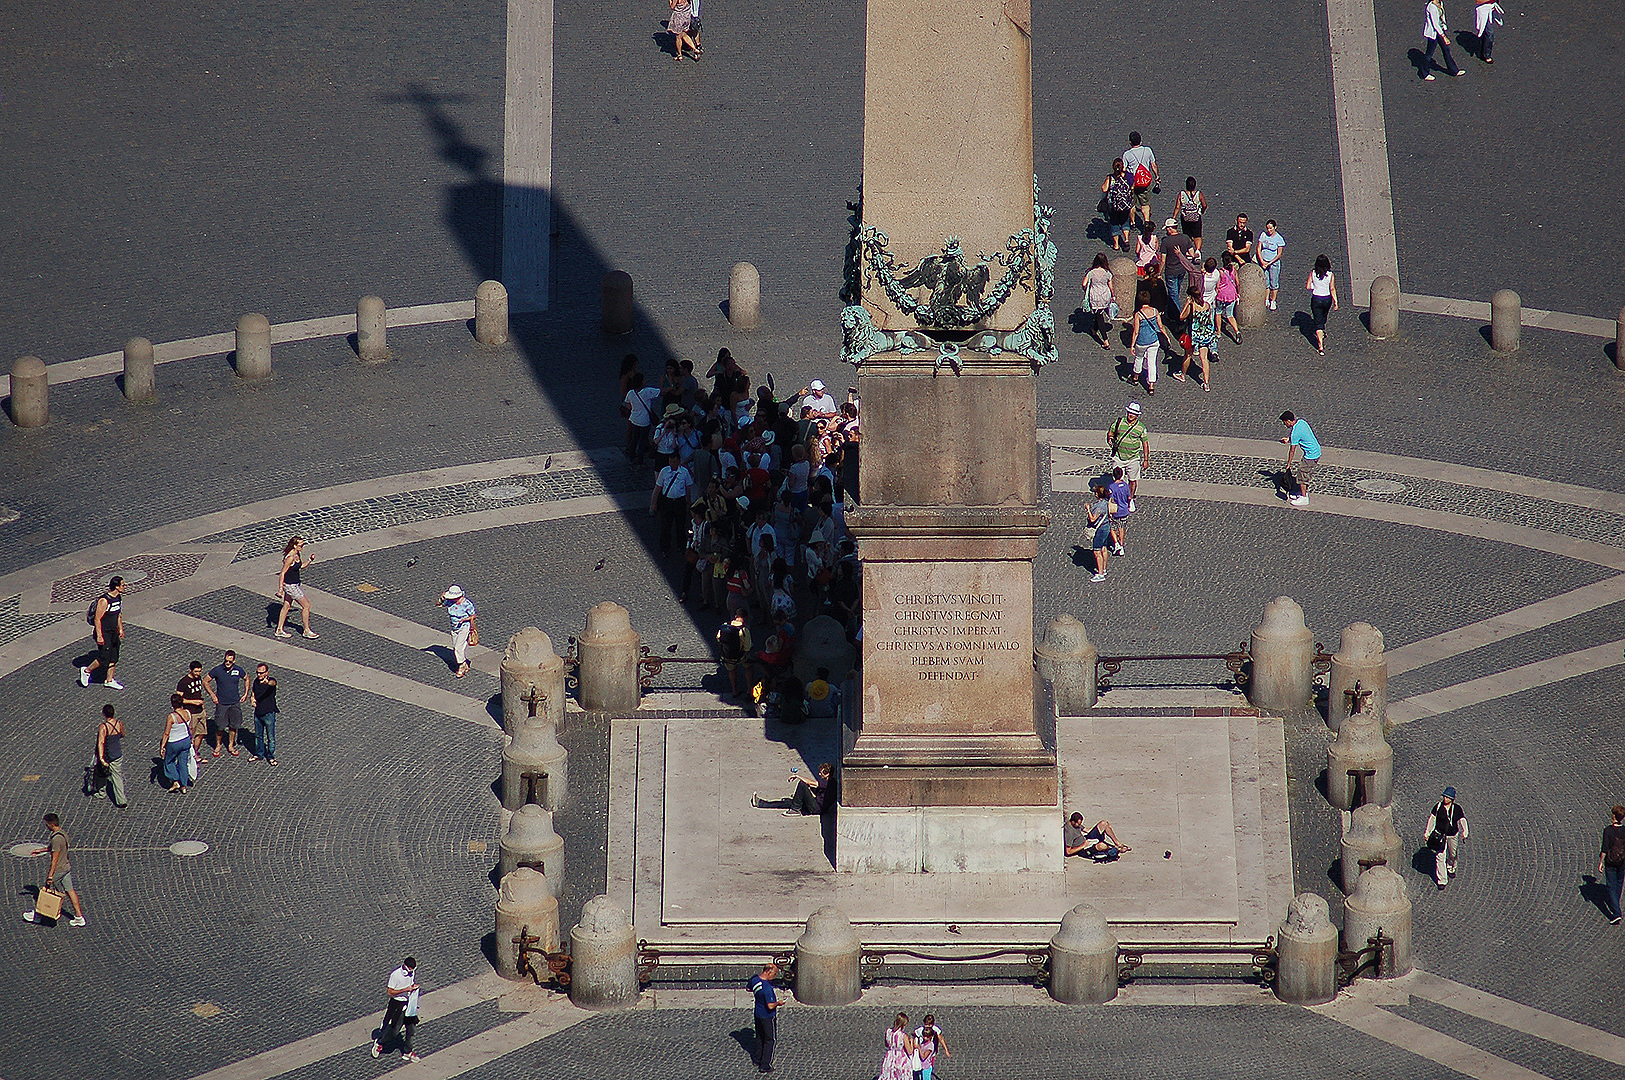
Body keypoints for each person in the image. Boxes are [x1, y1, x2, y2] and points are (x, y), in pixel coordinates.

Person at [22, 814, 87, 926]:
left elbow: (54, 859)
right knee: (70, 891)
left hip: (59, 870)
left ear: (51, 824)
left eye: (47, 824)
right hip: (66, 867)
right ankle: (79, 917)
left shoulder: (56, 839)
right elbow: (54, 849)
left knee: (45, 892)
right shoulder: (63, 834)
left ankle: (37, 916)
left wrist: (50, 876)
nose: (46, 826)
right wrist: (41, 850)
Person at [79, 576, 126, 689]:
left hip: (113, 632)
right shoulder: (104, 600)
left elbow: (119, 614)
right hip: (104, 633)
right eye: (123, 585)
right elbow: (97, 619)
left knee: (114, 656)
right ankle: (87, 670)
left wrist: (120, 628)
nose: (125, 587)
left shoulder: (118, 598)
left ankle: (109, 680)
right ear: (116, 586)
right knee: (104, 657)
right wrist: (99, 635)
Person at [372, 957, 422, 1063]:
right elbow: (390, 992)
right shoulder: (396, 975)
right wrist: (405, 989)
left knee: (411, 1029)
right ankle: (379, 1043)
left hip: (408, 1003)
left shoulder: (412, 973)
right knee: (395, 1030)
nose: (412, 972)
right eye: (410, 969)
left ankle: (408, 1051)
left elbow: (410, 984)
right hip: (397, 1004)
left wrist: (413, 988)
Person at [205, 649, 250, 757]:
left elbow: (247, 678)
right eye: (226, 661)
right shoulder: (218, 670)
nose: (227, 663)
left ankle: (230, 745)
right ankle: (218, 745)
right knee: (220, 726)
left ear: (234, 661)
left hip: (235, 702)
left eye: (230, 661)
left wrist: (245, 693)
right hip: (222, 703)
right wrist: (212, 694)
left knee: (233, 726)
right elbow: (205, 680)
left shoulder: (238, 670)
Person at [1106, 401, 1150, 510]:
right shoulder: (1119, 422)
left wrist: (1146, 459)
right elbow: (1110, 433)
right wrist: (1110, 439)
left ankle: (1130, 499)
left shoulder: (1141, 427)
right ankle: (1118, 498)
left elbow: (1145, 443)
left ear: (1137, 415)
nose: (1131, 415)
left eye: (1134, 413)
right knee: (1118, 479)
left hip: (1133, 458)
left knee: (1132, 480)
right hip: (1118, 456)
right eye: (1130, 412)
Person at [651, 452, 694, 557]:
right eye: (670, 461)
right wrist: (653, 503)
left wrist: (688, 502)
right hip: (667, 502)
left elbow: (688, 489)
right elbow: (657, 488)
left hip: (680, 502)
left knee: (680, 526)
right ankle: (665, 548)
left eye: (674, 461)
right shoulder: (664, 472)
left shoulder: (684, 472)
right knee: (665, 526)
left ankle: (681, 546)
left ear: (678, 461)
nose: (672, 463)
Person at [275, 536, 318, 639]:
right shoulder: (290, 557)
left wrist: (310, 560)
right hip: (290, 586)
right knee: (306, 606)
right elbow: (282, 573)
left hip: (294, 584)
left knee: (286, 606)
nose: (302, 547)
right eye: (301, 545)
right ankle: (306, 630)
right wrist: (280, 589)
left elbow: (301, 566)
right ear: (295, 546)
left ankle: (279, 629)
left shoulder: (297, 554)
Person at [1424, 787, 1468, 889]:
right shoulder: (1438, 807)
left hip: (1452, 835)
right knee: (1439, 856)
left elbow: (1462, 820)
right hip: (1439, 836)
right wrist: (1427, 832)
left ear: (1452, 799)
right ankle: (1442, 880)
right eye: (1444, 796)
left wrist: (1465, 832)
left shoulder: (1457, 809)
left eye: (1447, 797)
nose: (1445, 799)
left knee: (1453, 853)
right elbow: (1432, 819)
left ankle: (1451, 866)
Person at [753, 762, 834, 817]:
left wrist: (797, 776)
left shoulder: (829, 783)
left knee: (802, 784)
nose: (819, 774)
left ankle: (795, 810)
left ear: (828, 774)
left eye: (822, 773)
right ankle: (760, 803)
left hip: (816, 808)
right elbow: (817, 796)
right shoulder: (827, 783)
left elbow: (809, 782)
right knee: (787, 802)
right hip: (817, 804)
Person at [1278, 411, 1322, 507]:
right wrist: (1289, 439)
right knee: (1304, 474)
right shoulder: (1302, 422)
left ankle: (1304, 497)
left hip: (1311, 456)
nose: (1285, 425)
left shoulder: (1295, 433)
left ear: (1289, 421)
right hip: (1316, 451)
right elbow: (1300, 435)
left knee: (1302, 476)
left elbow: (1292, 450)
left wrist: (1288, 464)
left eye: (1284, 422)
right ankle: (1301, 492)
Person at [1178, 285, 1216, 392]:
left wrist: (1187, 303)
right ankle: (1206, 383)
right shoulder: (1207, 305)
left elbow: (1181, 317)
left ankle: (1183, 374)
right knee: (1204, 358)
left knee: (1188, 355)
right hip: (1204, 335)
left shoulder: (1192, 306)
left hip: (1193, 335)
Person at [1129, 289, 1167, 395]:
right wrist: (1166, 336)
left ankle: (1135, 377)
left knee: (1139, 358)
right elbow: (1160, 326)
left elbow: (1136, 331)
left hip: (1142, 341)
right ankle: (1151, 385)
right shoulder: (1155, 311)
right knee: (1151, 362)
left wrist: (1132, 345)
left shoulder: (1138, 314)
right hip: (1154, 341)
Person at [747, 961, 783, 1073]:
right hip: (767, 1016)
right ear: (768, 972)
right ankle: (765, 1065)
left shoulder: (754, 979)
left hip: (758, 1013)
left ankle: (757, 1059)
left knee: (759, 1036)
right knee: (770, 1040)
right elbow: (770, 1005)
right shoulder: (767, 988)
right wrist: (779, 1003)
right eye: (774, 974)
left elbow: (749, 989)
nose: (774, 976)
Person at [1158, 218, 1198, 314]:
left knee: (1173, 294)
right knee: (1177, 290)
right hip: (1182, 269)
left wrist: (1159, 272)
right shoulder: (1185, 238)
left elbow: (1162, 261)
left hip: (1171, 271)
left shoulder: (1166, 242)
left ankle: (1179, 314)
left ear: (1169, 229)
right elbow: (1192, 254)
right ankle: (1172, 310)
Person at [622, 371, 661, 466]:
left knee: (634, 438)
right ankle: (640, 460)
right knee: (642, 440)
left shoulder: (631, 393)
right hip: (644, 421)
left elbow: (628, 405)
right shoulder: (647, 391)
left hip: (634, 419)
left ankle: (631, 456)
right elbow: (660, 392)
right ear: (642, 381)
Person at [1122, 132, 1159, 229]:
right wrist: (1157, 176)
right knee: (1145, 204)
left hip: (1132, 183)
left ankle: (1133, 222)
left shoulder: (1127, 154)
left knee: (1132, 203)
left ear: (1130, 142)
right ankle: (1146, 222)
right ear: (1140, 140)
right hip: (1145, 182)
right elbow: (1153, 164)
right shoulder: (1148, 150)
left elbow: (1124, 170)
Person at [94, 704, 129, 808]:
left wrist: (101, 758)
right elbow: (123, 734)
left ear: (104, 714)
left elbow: (101, 742)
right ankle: (119, 799)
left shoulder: (103, 727)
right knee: (116, 775)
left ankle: (103, 793)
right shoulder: (119, 723)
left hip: (108, 755)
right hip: (118, 754)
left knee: (102, 774)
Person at [1421, 0, 1465, 79]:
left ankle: (1454, 70)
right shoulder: (1432, 7)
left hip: (1440, 30)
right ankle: (1425, 73)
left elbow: (1442, 16)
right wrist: (1444, 36)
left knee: (1446, 50)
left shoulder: (1440, 3)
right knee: (1429, 53)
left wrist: (1444, 26)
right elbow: (1435, 24)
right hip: (1434, 33)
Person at [441, 585, 477, 678]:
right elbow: (439, 604)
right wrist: (442, 598)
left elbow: (473, 615)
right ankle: (464, 663)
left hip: (464, 627)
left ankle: (461, 665)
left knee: (458, 647)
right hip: (454, 628)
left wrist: (464, 619)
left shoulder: (467, 604)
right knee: (457, 647)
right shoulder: (450, 602)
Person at [1082, 253, 1116, 349]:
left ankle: (1105, 340)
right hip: (1105, 295)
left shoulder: (1091, 272)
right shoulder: (1108, 273)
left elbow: (1084, 284)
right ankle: (1094, 329)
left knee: (1099, 315)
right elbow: (1111, 286)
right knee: (1099, 313)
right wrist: (1113, 296)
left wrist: (1087, 289)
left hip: (1095, 296)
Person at [161, 692, 194, 793]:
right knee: (183, 763)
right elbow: (191, 727)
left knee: (168, 761)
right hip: (186, 740)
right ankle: (184, 786)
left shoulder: (171, 717)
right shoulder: (188, 713)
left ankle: (176, 780)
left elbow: (166, 733)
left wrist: (162, 746)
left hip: (174, 742)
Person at [1306, 254, 1338, 355]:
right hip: (1327, 299)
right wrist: (1335, 302)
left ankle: (1320, 346)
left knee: (1318, 320)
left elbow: (1308, 286)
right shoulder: (1330, 275)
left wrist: (1314, 286)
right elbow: (1332, 288)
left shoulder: (1313, 273)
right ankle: (1321, 330)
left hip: (1316, 298)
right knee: (1323, 316)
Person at [1064, 812, 1130, 860]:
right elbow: (1068, 851)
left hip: (1086, 840)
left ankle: (1118, 844)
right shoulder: (1069, 832)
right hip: (1083, 849)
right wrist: (1083, 845)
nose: (1079, 825)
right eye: (1078, 824)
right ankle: (1115, 850)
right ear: (1073, 821)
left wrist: (1099, 829)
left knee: (1104, 823)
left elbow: (1086, 830)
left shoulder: (1075, 825)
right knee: (1102, 846)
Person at [717, 610, 752, 701]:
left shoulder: (725, 626)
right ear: (745, 618)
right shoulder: (744, 630)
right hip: (740, 656)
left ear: (736, 616)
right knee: (748, 667)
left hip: (727, 656)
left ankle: (734, 690)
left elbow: (718, 639)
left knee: (731, 671)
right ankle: (749, 690)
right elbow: (747, 647)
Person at [1598, 805, 1625, 924]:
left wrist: (1600, 862)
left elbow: (1605, 848)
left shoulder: (1608, 830)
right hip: (1622, 861)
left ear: (1613, 816)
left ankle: (1616, 912)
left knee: (1610, 885)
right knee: (1619, 883)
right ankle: (1616, 905)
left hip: (1611, 862)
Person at [1100, 159, 1134, 250]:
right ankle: (1126, 240)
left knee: (1114, 223)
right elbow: (1132, 187)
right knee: (1125, 221)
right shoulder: (1128, 176)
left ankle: (1116, 245)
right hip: (1125, 204)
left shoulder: (1110, 178)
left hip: (1113, 205)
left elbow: (1104, 189)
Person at [251, 663, 279, 765]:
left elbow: (273, 683)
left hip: (269, 713)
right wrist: (252, 698)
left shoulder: (270, 682)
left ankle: (271, 756)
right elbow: (254, 691)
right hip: (258, 712)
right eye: (257, 673)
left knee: (270, 736)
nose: (259, 675)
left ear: (266, 673)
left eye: (261, 673)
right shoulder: (256, 682)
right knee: (258, 735)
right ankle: (259, 754)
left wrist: (267, 682)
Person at [1256, 220, 1285, 311]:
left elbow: (1279, 254)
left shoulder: (1279, 239)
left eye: (1271, 228)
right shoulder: (1263, 235)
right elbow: (1259, 248)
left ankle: (1273, 300)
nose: (1269, 230)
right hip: (1264, 262)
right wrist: (1262, 261)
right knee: (1265, 281)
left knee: (1274, 282)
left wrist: (1269, 263)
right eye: (1267, 228)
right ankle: (1266, 299)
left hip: (1273, 263)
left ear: (1275, 227)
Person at [1087, 482, 1112, 584]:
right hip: (1106, 527)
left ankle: (1100, 574)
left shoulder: (1099, 507)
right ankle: (1104, 569)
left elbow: (1093, 519)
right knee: (1104, 548)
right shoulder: (1106, 503)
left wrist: (1088, 510)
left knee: (1097, 551)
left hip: (1100, 529)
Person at [878, 1013, 916, 1080]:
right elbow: (910, 1051)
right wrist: (912, 1041)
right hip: (901, 1058)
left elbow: (886, 1044)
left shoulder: (888, 1031)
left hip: (890, 1057)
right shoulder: (903, 1036)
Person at [913, 1016, 951, 1080]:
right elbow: (914, 1035)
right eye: (926, 1025)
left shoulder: (936, 1030)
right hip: (921, 1051)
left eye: (929, 1025)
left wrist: (946, 1050)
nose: (927, 1027)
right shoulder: (920, 1030)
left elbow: (941, 1039)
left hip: (931, 1052)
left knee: (928, 1066)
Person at [1215, 254, 1242, 343]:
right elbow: (1237, 283)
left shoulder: (1221, 272)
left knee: (1218, 313)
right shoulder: (1233, 270)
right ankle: (1236, 331)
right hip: (1232, 295)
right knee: (1230, 315)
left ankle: (1218, 332)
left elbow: (1218, 285)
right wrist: (1237, 293)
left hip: (1221, 295)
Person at [1176, 177, 1207, 252]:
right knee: (1197, 235)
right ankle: (1197, 250)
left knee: (1187, 234)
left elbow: (1177, 207)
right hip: (1196, 217)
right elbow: (1204, 205)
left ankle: (1189, 250)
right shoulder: (1199, 194)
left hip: (1185, 218)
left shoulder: (1182, 194)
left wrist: (1174, 217)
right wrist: (1202, 211)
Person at [1107, 467, 1132, 557]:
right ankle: (1121, 545)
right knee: (1121, 528)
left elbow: (1110, 498)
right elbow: (1129, 497)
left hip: (1115, 511)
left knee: (1112, 527)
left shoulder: (1111, 487)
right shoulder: (1125, 485)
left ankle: (1116, 543)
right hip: (1124, 510)